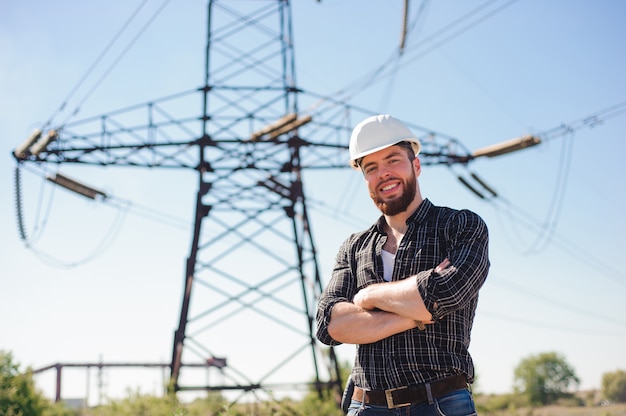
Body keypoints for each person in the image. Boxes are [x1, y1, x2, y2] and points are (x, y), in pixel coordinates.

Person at [316, 114, 490, 415]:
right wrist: (419, 312)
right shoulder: (353, 247)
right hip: (366, 406)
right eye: (371, 168)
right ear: (366, 179)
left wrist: (368, 297)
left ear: (416, 165)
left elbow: (445, 293)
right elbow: (329, 325)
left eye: (393, 160)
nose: (383, 173)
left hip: (442, 404)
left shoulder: (460, 226)